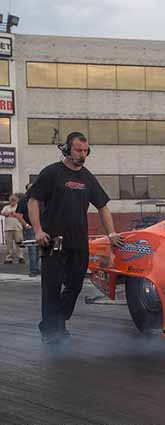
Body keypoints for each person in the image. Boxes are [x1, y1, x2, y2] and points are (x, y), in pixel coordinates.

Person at [27, 132, 123, 344]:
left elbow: (102, 206)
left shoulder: (87, 177)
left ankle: (56, 322)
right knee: (51, 288)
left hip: (78, 242)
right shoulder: (52, 173)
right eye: (78, 150)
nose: (83, 155)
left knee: (75, 285)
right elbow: (33, 200)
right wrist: (38, 231)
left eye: (85, 151)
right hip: (52, 241)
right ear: (67, 150)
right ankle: (52, 331)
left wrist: (112, 233)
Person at [16, 184, 41, 276]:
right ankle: (33, 270)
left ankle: (37, 268)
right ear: (27, 190)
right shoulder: (24, 200)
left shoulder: (39, 199)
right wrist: (26, 225)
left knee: (40, 249)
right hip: (30, 228)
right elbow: (18, 215)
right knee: (33, 250)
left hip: (40, 228)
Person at [1, 194, 24, 264]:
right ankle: (8, 258)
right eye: (11, 200)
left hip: (18, 227)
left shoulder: (19, 207)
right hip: (8, 228)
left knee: (19, 243)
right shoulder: (6, 207)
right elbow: (2, 213)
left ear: (17, 201)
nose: (12, 202)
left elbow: (20, 215)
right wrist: (10, 213)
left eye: (14, 200)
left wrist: (13, 214)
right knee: (9, 244)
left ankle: (21, 257)